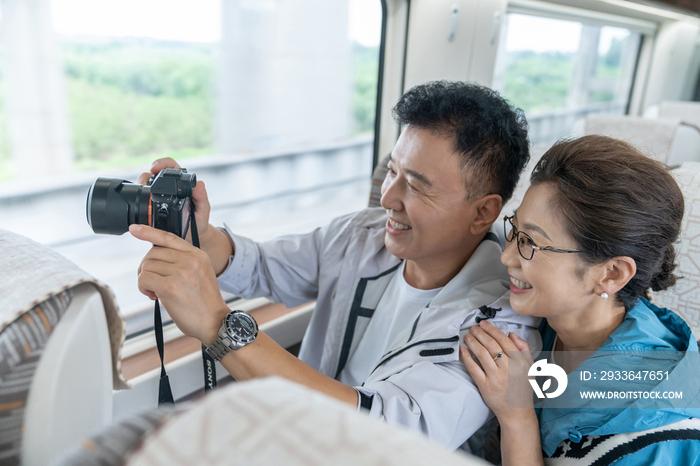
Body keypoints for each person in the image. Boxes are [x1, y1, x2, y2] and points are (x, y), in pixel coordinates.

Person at [129, 81, 540, 453]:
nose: (387, 199)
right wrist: (199, 231)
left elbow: (379, 436)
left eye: (415, 185)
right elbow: (265, 267)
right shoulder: (363, 234)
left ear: (483, 212)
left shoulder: (502, 330)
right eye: (392, 171)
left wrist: (219, 325)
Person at [460, 135, 700, 465]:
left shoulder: (647, 436)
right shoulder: (545, 323)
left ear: (612, 274)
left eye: (529, 242)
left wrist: (518, 417)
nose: (507, 257)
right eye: (513, 231)